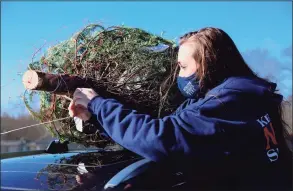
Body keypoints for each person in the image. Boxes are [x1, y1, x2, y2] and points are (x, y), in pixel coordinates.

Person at [68, 27, 292, 190]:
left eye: (183, 67)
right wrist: (95, 117)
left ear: (208, 64)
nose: (179, 76)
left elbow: (163, 138)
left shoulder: (229, 103)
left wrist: (97, 103)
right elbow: (157, 133)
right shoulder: (239, 99)